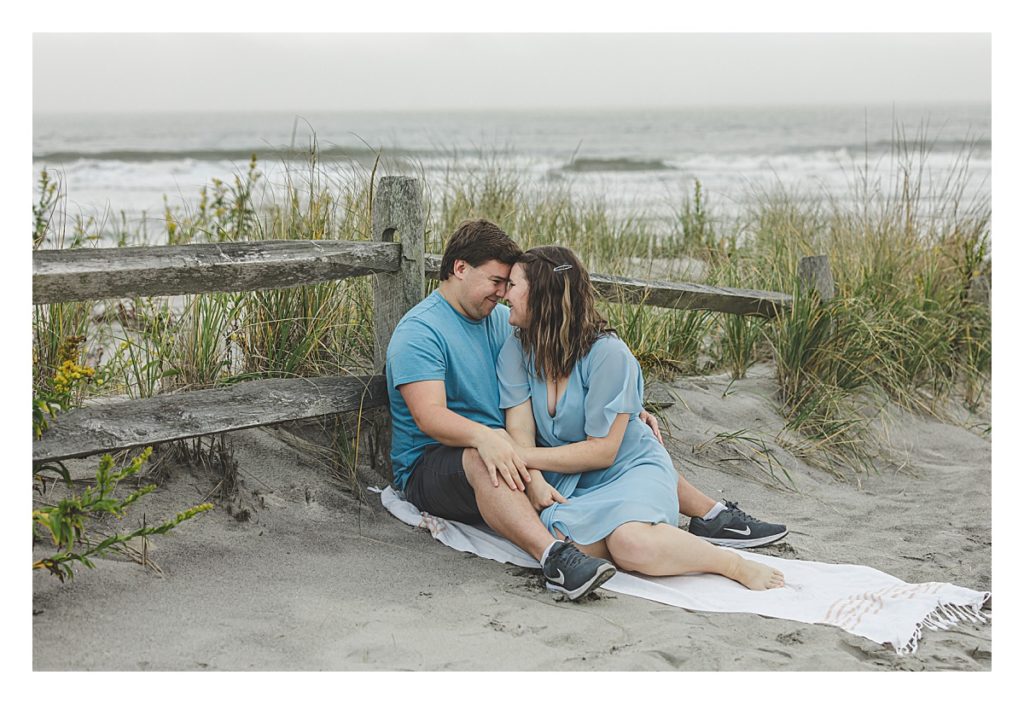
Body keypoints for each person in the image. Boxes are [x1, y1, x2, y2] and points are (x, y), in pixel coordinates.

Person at [386, 220, 785, 600]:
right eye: (496, 282)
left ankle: (711, 519)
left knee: (625, 447)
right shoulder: (423, 331)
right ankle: (556, 557)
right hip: (439, 460)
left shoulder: (505, 322)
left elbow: (583, 363)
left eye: (510, 285)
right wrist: (492, 442)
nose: (503, 293)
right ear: (459, 268)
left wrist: (627, 408)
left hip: (516, 448)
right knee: (487, 458)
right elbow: (430, 417)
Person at [496, 245, 785, 590]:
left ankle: (730, 562)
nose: (504, 294)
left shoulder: (608, 355)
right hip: (571, 478)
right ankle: (660, 537)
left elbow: (602, 451)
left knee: (631, 544)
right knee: (561, 540)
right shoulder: (516, 349)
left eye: (512, 285)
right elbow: (520, 429)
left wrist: (517, 457)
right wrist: (535, 479)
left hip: (627, 466)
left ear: (542, 293)